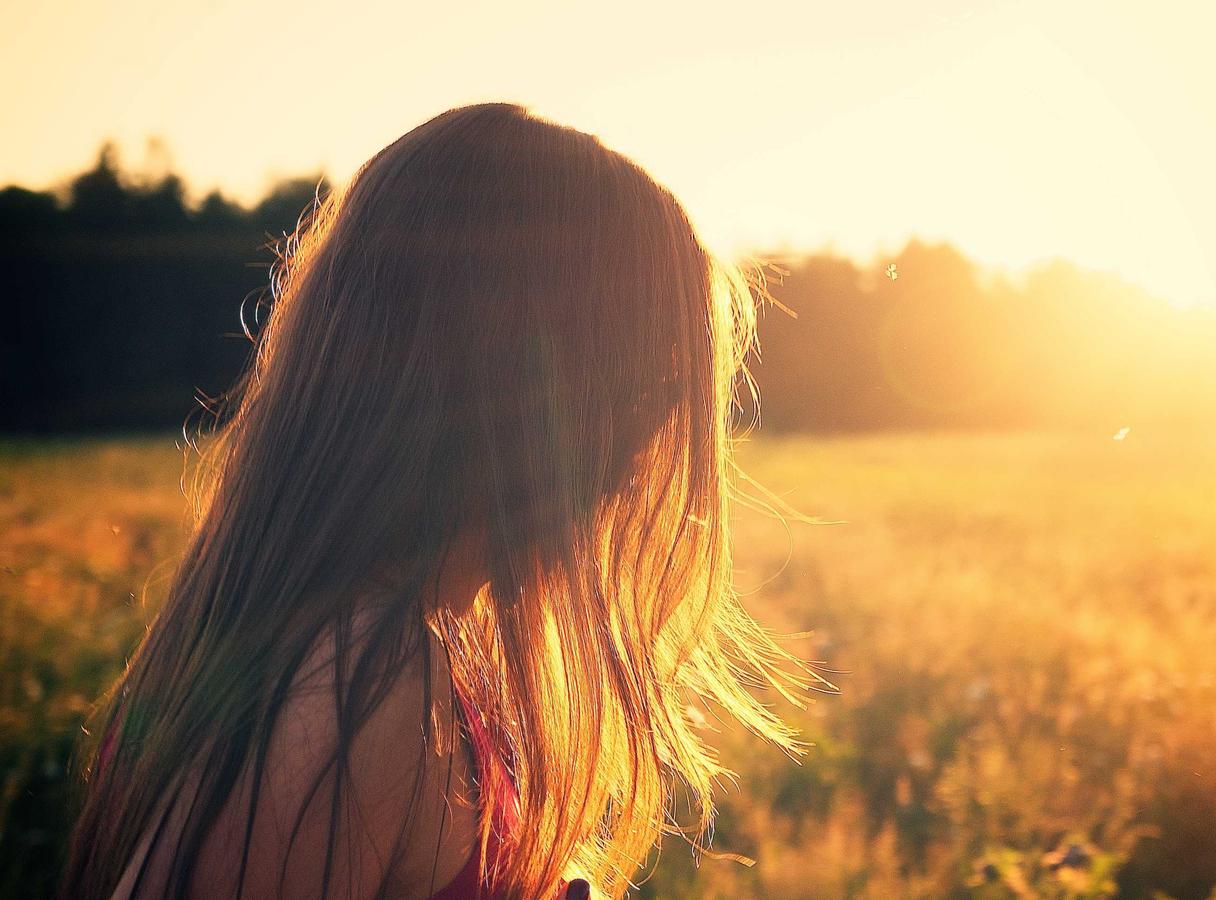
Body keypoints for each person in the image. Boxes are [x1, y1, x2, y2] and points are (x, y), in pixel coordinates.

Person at [62, 102, 822, 899]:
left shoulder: (354, 648)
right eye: (651, 389)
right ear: (535, 395)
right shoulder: (358, 678)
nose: (644, 460)